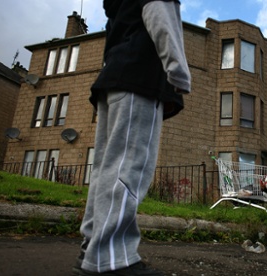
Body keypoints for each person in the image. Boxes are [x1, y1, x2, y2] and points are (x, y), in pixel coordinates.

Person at [73, 0, 191, 275]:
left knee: (106, 170)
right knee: (128, 168)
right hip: (140, 79)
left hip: (113, 79)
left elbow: (113, 34)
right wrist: (178, 71)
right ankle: (110, 258)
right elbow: (160, 13)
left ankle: (91, 248)